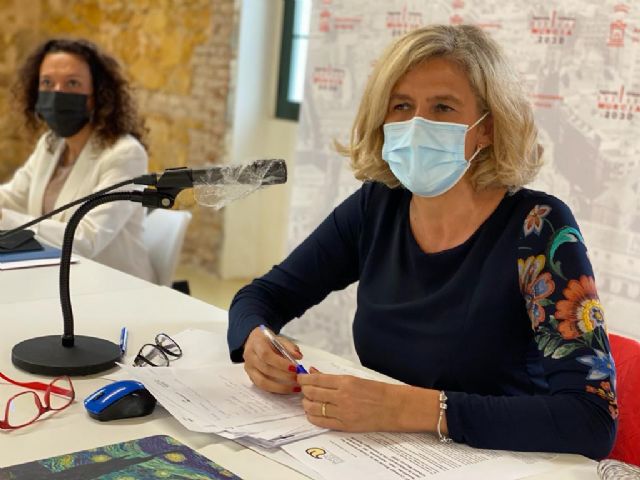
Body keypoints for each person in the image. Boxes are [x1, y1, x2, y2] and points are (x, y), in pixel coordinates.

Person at [227, 25, 617, 459]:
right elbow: (263, 295)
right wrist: (255, 339)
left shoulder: (538, 227)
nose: (417, 125)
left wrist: (408, 409)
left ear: (486, 128)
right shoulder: (377, 205)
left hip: (503, 461)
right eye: (401, 106)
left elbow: (591, 420)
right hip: (384, 454)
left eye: (442, 107)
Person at [0, 38, 154, 282]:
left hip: (113, 285)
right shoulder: (51, 143)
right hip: (56, 275)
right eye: (47, 82)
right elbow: (14, 197)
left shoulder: (125, 154)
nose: (57, 92)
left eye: (72, 83)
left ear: (97, 95)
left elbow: (86, 238)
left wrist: (3, 219)